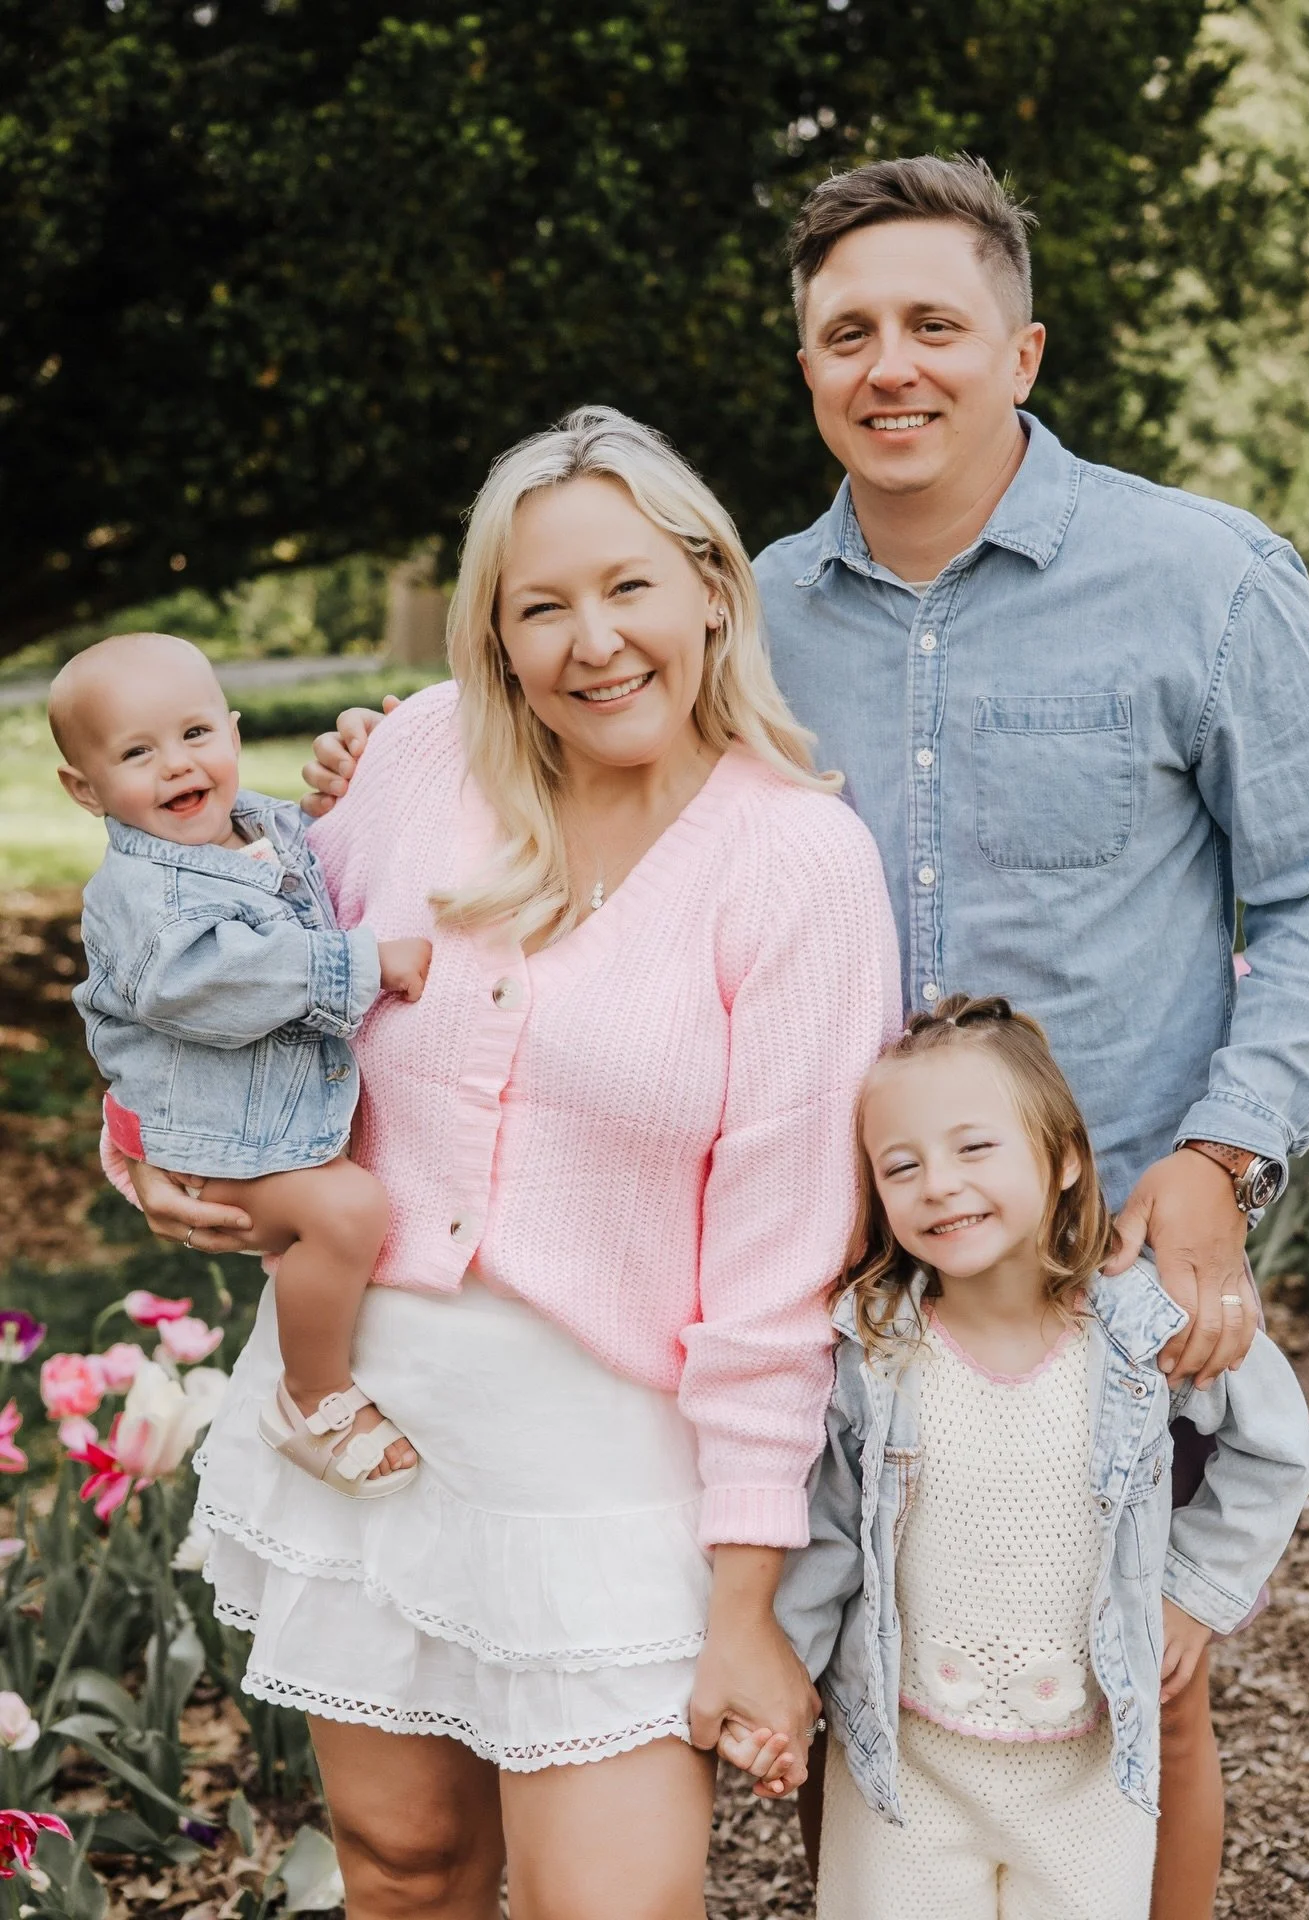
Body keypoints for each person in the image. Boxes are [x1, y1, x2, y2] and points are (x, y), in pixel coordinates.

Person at [301, 155, 1309, 1911]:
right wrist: (398, 750)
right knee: (878, 1687)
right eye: (848, 332)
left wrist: (1220, 1154)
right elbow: (568, 718)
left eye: (934, 325)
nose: (891, 365)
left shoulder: (1204, 579)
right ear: (808, 366)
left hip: (1098, 1247)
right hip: (825, 1269)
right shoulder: (740, 612)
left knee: (1141, 1686)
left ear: (1023, 351)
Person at [109, 408, 900, 1920]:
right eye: (542, 606)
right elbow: (232, 979)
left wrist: (746, 1597)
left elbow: (781, 1268)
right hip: (363, 1412)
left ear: (712, 590)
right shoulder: (414, 760)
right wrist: (149, 1145)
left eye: (629, 587)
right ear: (497, 635)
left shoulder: (797, 862)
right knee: (404, 1869)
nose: (593, 641)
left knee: (617, 1905)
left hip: (600, 1466)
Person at [742, 994, 1309, 1918]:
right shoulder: (878, 1349)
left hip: (1088, 1775)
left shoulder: (1137, 1329)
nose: (938, 1183)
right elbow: (833, 1529)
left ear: (1064, 1160)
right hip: (910, 1769)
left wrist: (1192, 1595)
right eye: (902, 1164)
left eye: (975, 1149)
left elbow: (1275, 1450)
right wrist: (788, 1681)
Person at [51, 632, 429, 1494]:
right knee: (345, 1211)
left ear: (233, 730)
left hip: (260, 1120)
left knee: (339, 1213)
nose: (177, 765)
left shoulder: (252, 826)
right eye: (137, 752)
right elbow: (209, 983)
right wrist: (363, 965)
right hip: (212, 1142)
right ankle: (313, 1394)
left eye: (194, 734)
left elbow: (320, 859)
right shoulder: (145, 894)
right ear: (84, 788)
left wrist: (369, 784)